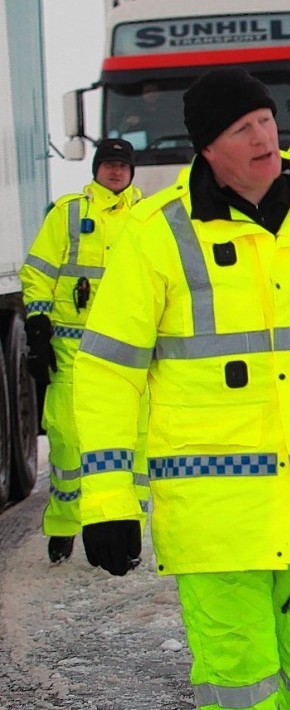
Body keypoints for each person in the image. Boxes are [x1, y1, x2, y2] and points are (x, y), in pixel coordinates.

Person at [72, 67, 290, 710]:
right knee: (241, 684)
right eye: (241, 129)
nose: (263, 140)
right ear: (207, 148)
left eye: (266, 122)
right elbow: (107, 374)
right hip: (218, 522)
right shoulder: (159, 234)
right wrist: (106, 499)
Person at [20, 138, 148, 563]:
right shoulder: (70, 212)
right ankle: (63, 527)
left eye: (122, 166)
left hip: (129, 349)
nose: (115, 172)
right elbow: (38, 271)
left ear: (131, 172)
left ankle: (130, 527)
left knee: (136, 441)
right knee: (67, 440)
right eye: (108, 165)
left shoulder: (146, 217)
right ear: (96, 169)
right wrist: (37, 325)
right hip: (71, 349)